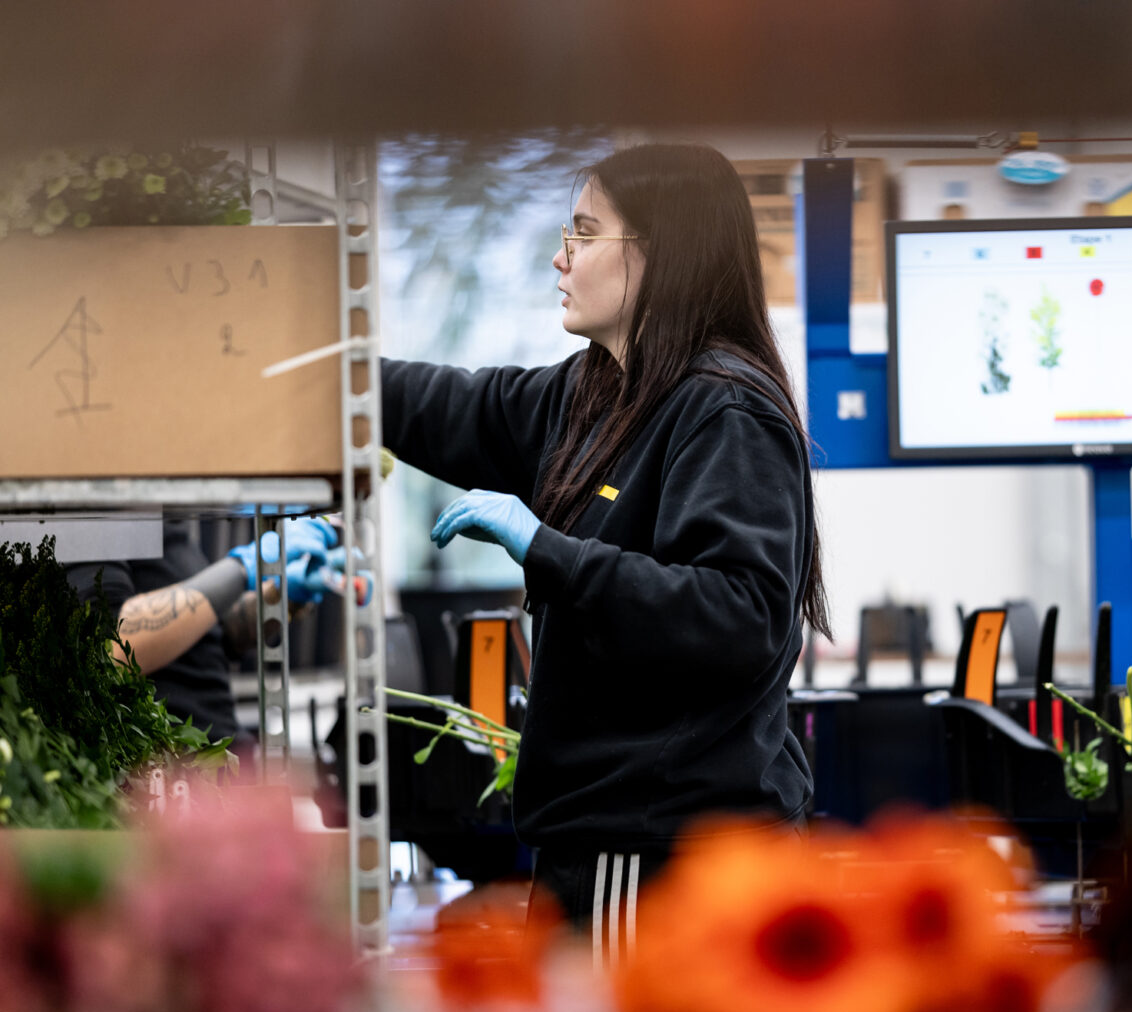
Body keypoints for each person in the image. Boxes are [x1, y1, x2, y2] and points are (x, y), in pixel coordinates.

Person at [380, 143, 831, 954]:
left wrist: (547, 549)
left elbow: (741, 616)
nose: (561, 257)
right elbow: (457, 407)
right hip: (614, 846)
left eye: (584, 234)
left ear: (659, 254)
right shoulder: (596, 391)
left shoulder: (723, 410)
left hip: (665, 856)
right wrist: (330, 377)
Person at [67, 517, 342, 748]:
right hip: (171, 779)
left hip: (223, 753)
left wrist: (284, 593)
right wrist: (241, 568)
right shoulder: (87, 511)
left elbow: (211, 634)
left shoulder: (156, 516)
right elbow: (106, 653)